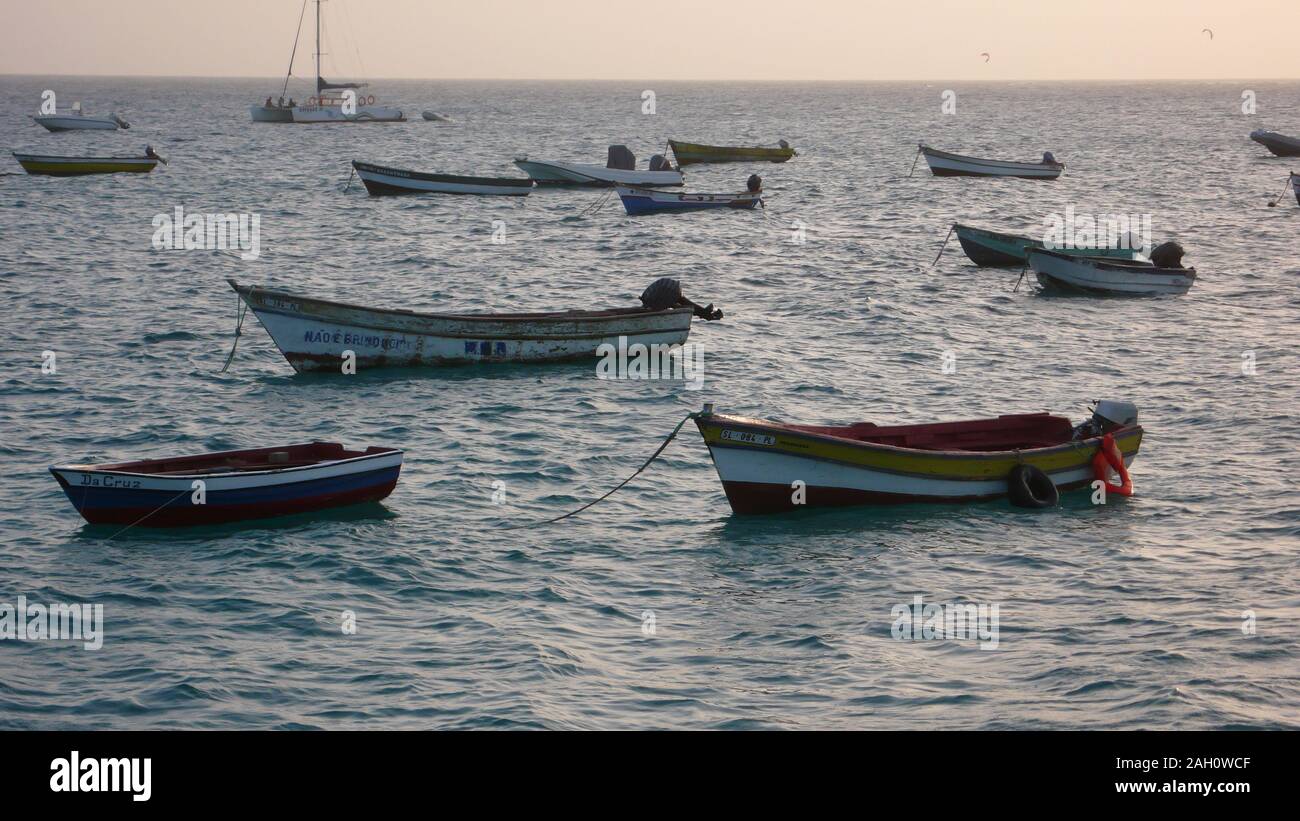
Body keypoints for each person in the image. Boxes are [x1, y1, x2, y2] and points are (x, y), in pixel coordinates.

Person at [639, 278, 723, 320]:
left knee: (683, 303)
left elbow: (678, 306)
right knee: (683, 303)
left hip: (665, 290)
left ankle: (706, 314)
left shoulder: (651, 301)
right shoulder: (652, 301)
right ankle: (706, 314)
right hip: (668, 288)